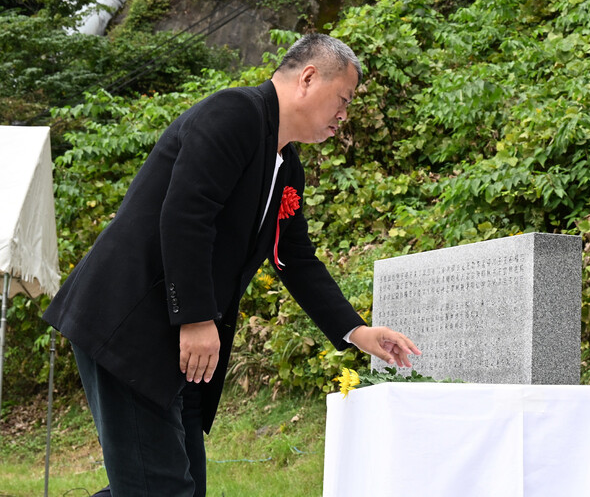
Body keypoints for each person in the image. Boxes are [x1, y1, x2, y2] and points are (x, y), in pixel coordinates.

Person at [43, 33, 420, 497]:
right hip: (129, 321)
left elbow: (293, 258)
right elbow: (185, 215)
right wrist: (198, 317)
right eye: (342, 99)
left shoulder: (287, 167)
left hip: (180, 344)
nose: (345, 115)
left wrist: (356, 331)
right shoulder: (234, 113)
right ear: (307, 78)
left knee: (173, 487)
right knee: (160, 488)